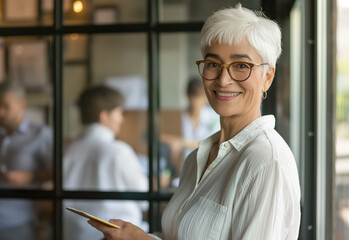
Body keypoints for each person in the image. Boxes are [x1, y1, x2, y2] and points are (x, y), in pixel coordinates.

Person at [88, 3, 301, 240]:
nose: (223, 79)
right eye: (213, 64)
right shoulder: (196, 159)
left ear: (267, 78)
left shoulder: (265, 162)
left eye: (241, 66)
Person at [63, 85, 148, 240]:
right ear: (104, 116)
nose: (122, 119)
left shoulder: (66, 150)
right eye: (119, 113)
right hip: (114, 236)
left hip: (72, 233)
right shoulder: (119, 151)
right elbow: (144, 199)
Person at [0, 81, 53, 240]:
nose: (0, 112)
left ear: (22, 104)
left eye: (5, 106)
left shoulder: (42, 134)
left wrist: (31, 176)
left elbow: (58, 174)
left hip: (17, 225)